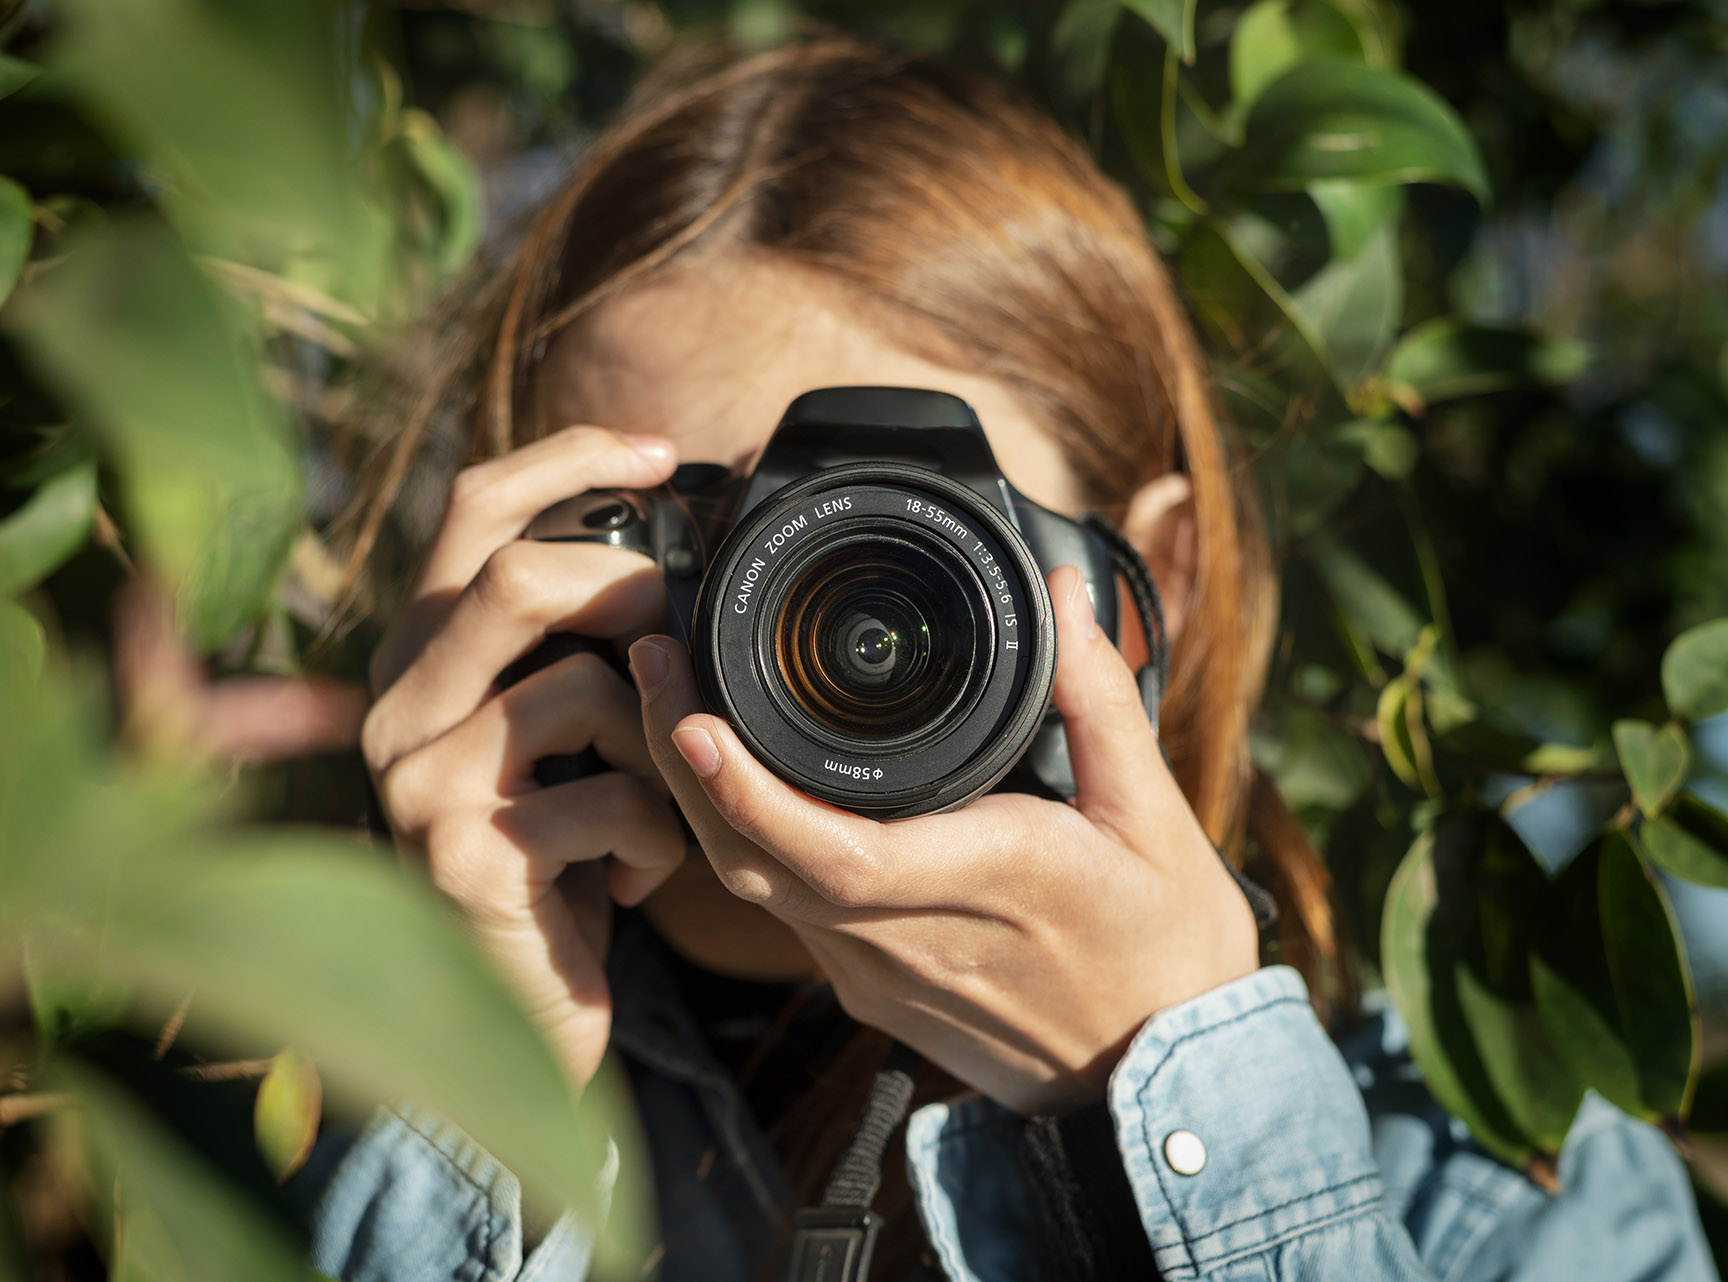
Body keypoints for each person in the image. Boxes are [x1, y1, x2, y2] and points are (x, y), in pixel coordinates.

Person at [311, 35, 1716, 1282]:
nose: (795, 614)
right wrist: (465, 1077)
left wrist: (1155, 1118)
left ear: (1143, 582)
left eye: (908, 528)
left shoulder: (1491, 1172)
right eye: (703, 531)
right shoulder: (313, 1057)